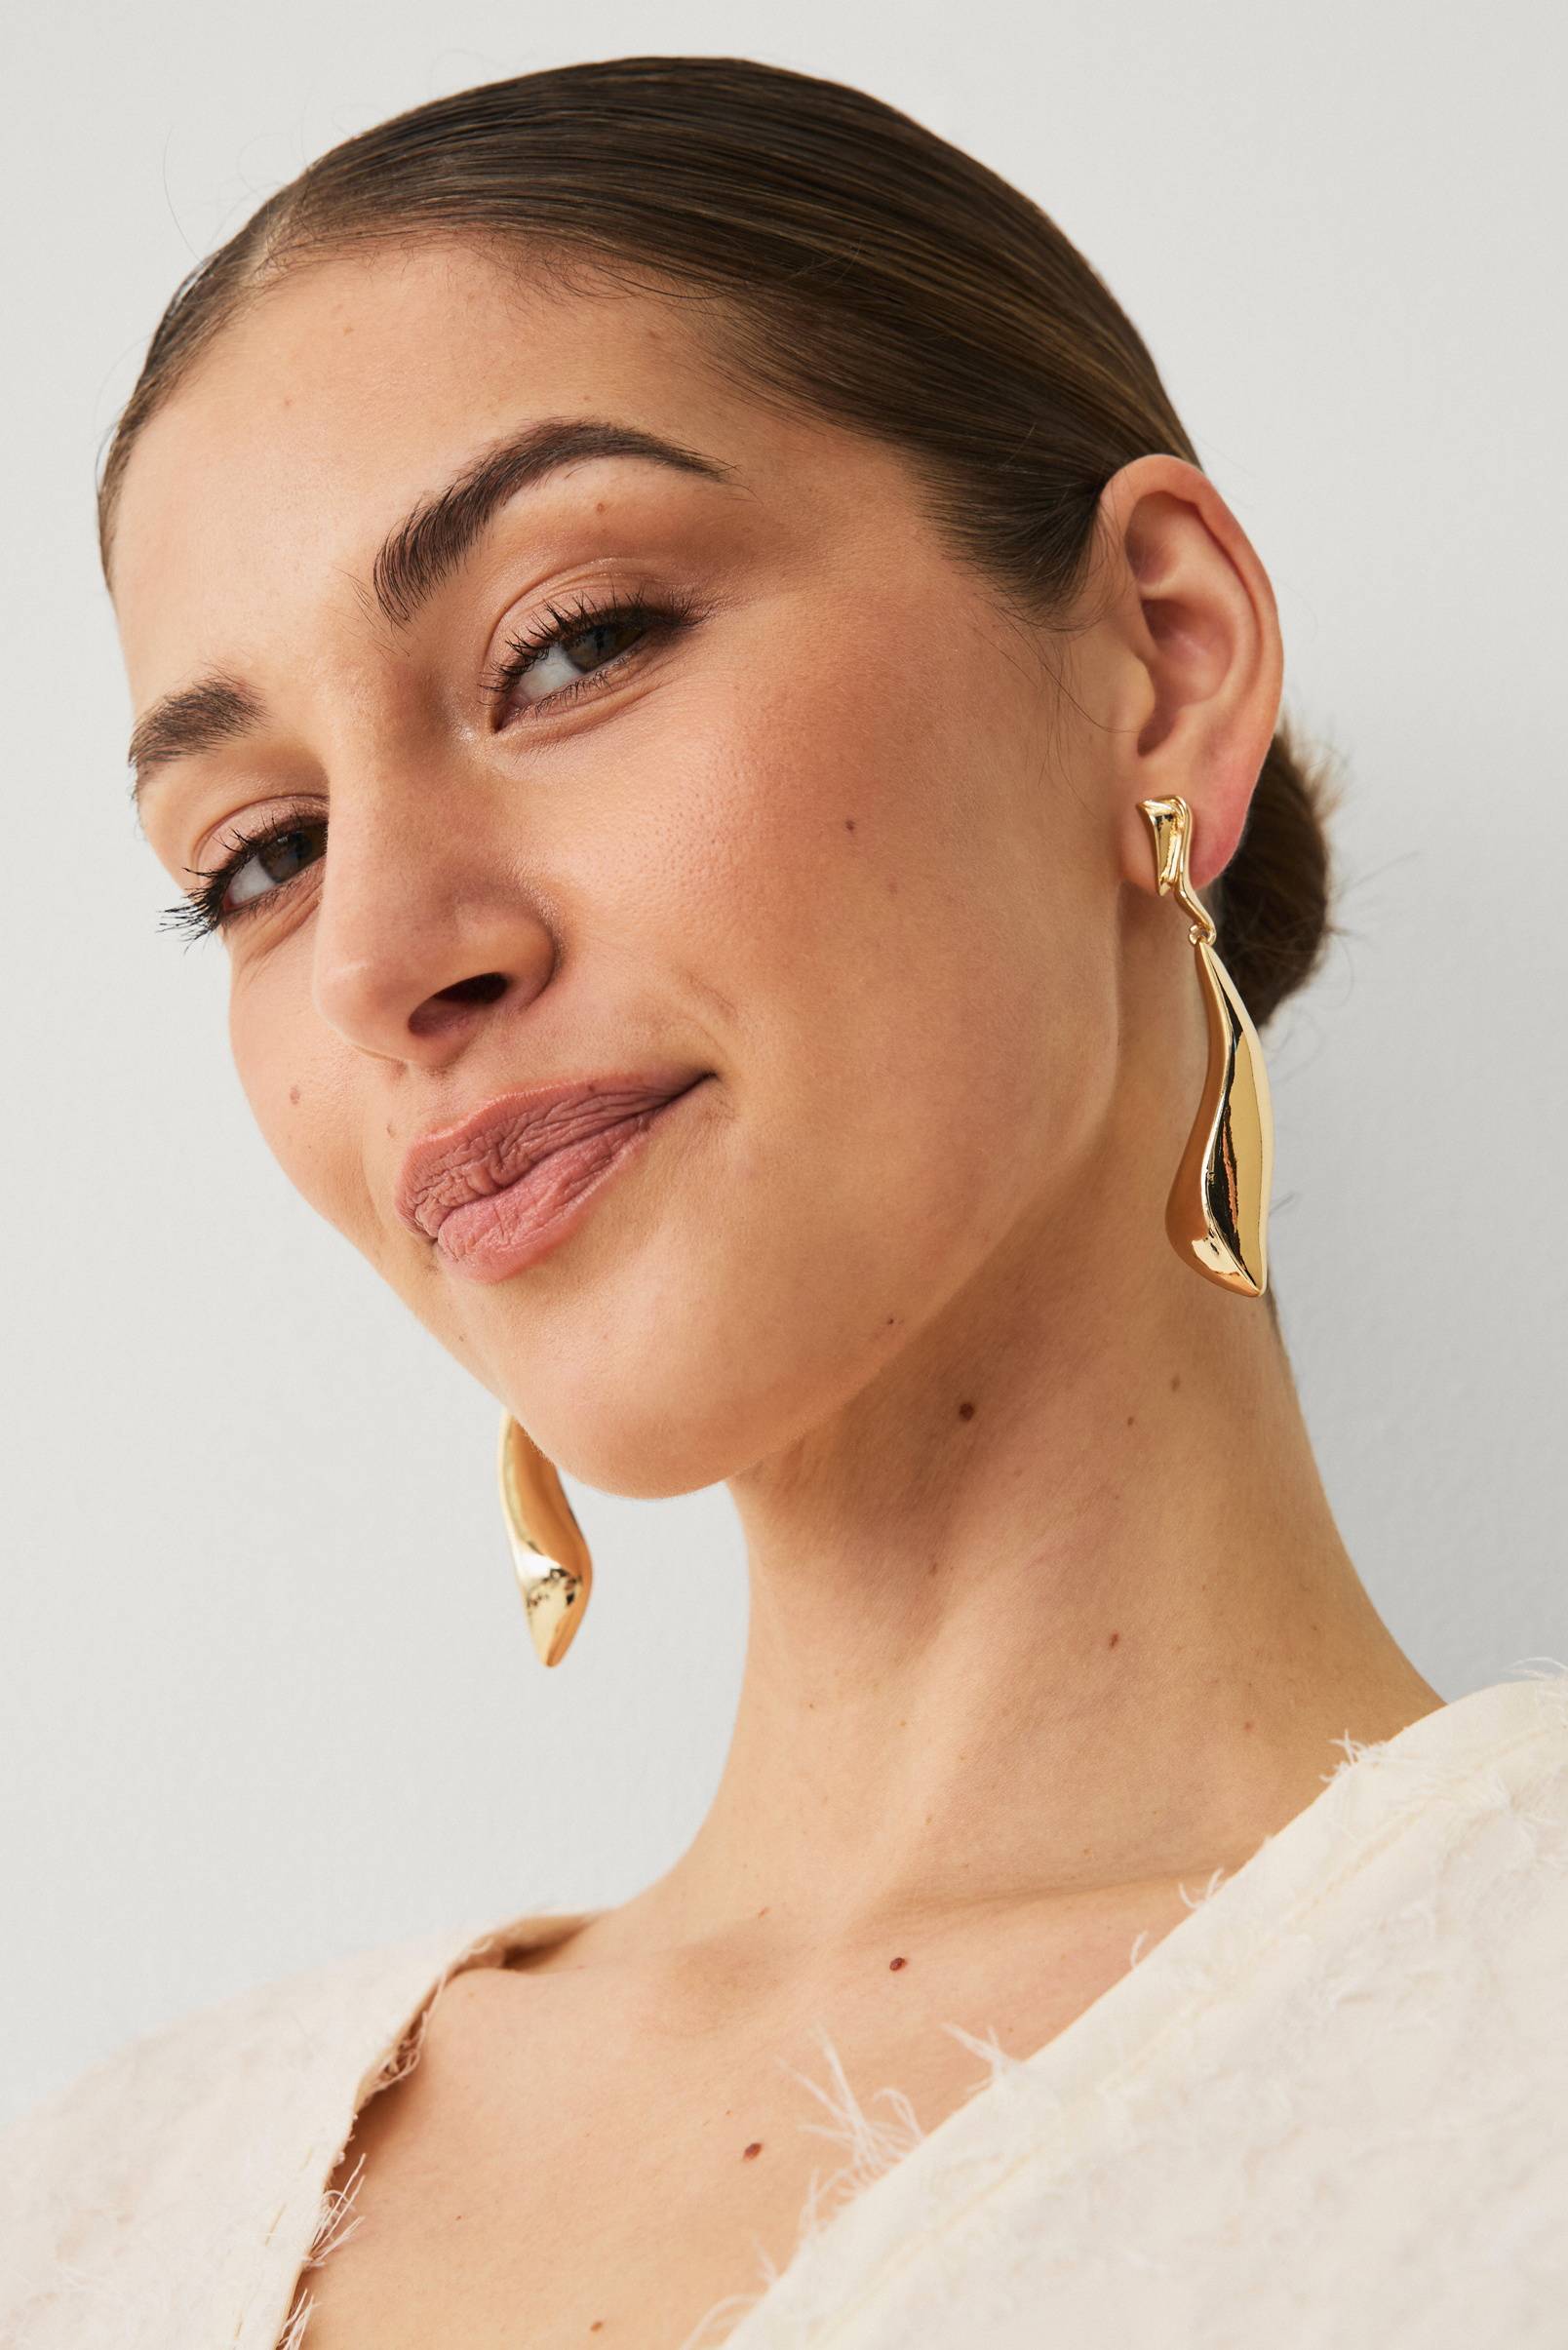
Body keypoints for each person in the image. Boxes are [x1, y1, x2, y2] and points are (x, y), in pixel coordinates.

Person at [5, 51, 1566, 2350]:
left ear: (1163, 659)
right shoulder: (92, 2209)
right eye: (261, 854)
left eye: (572, 644)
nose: (380, 957)